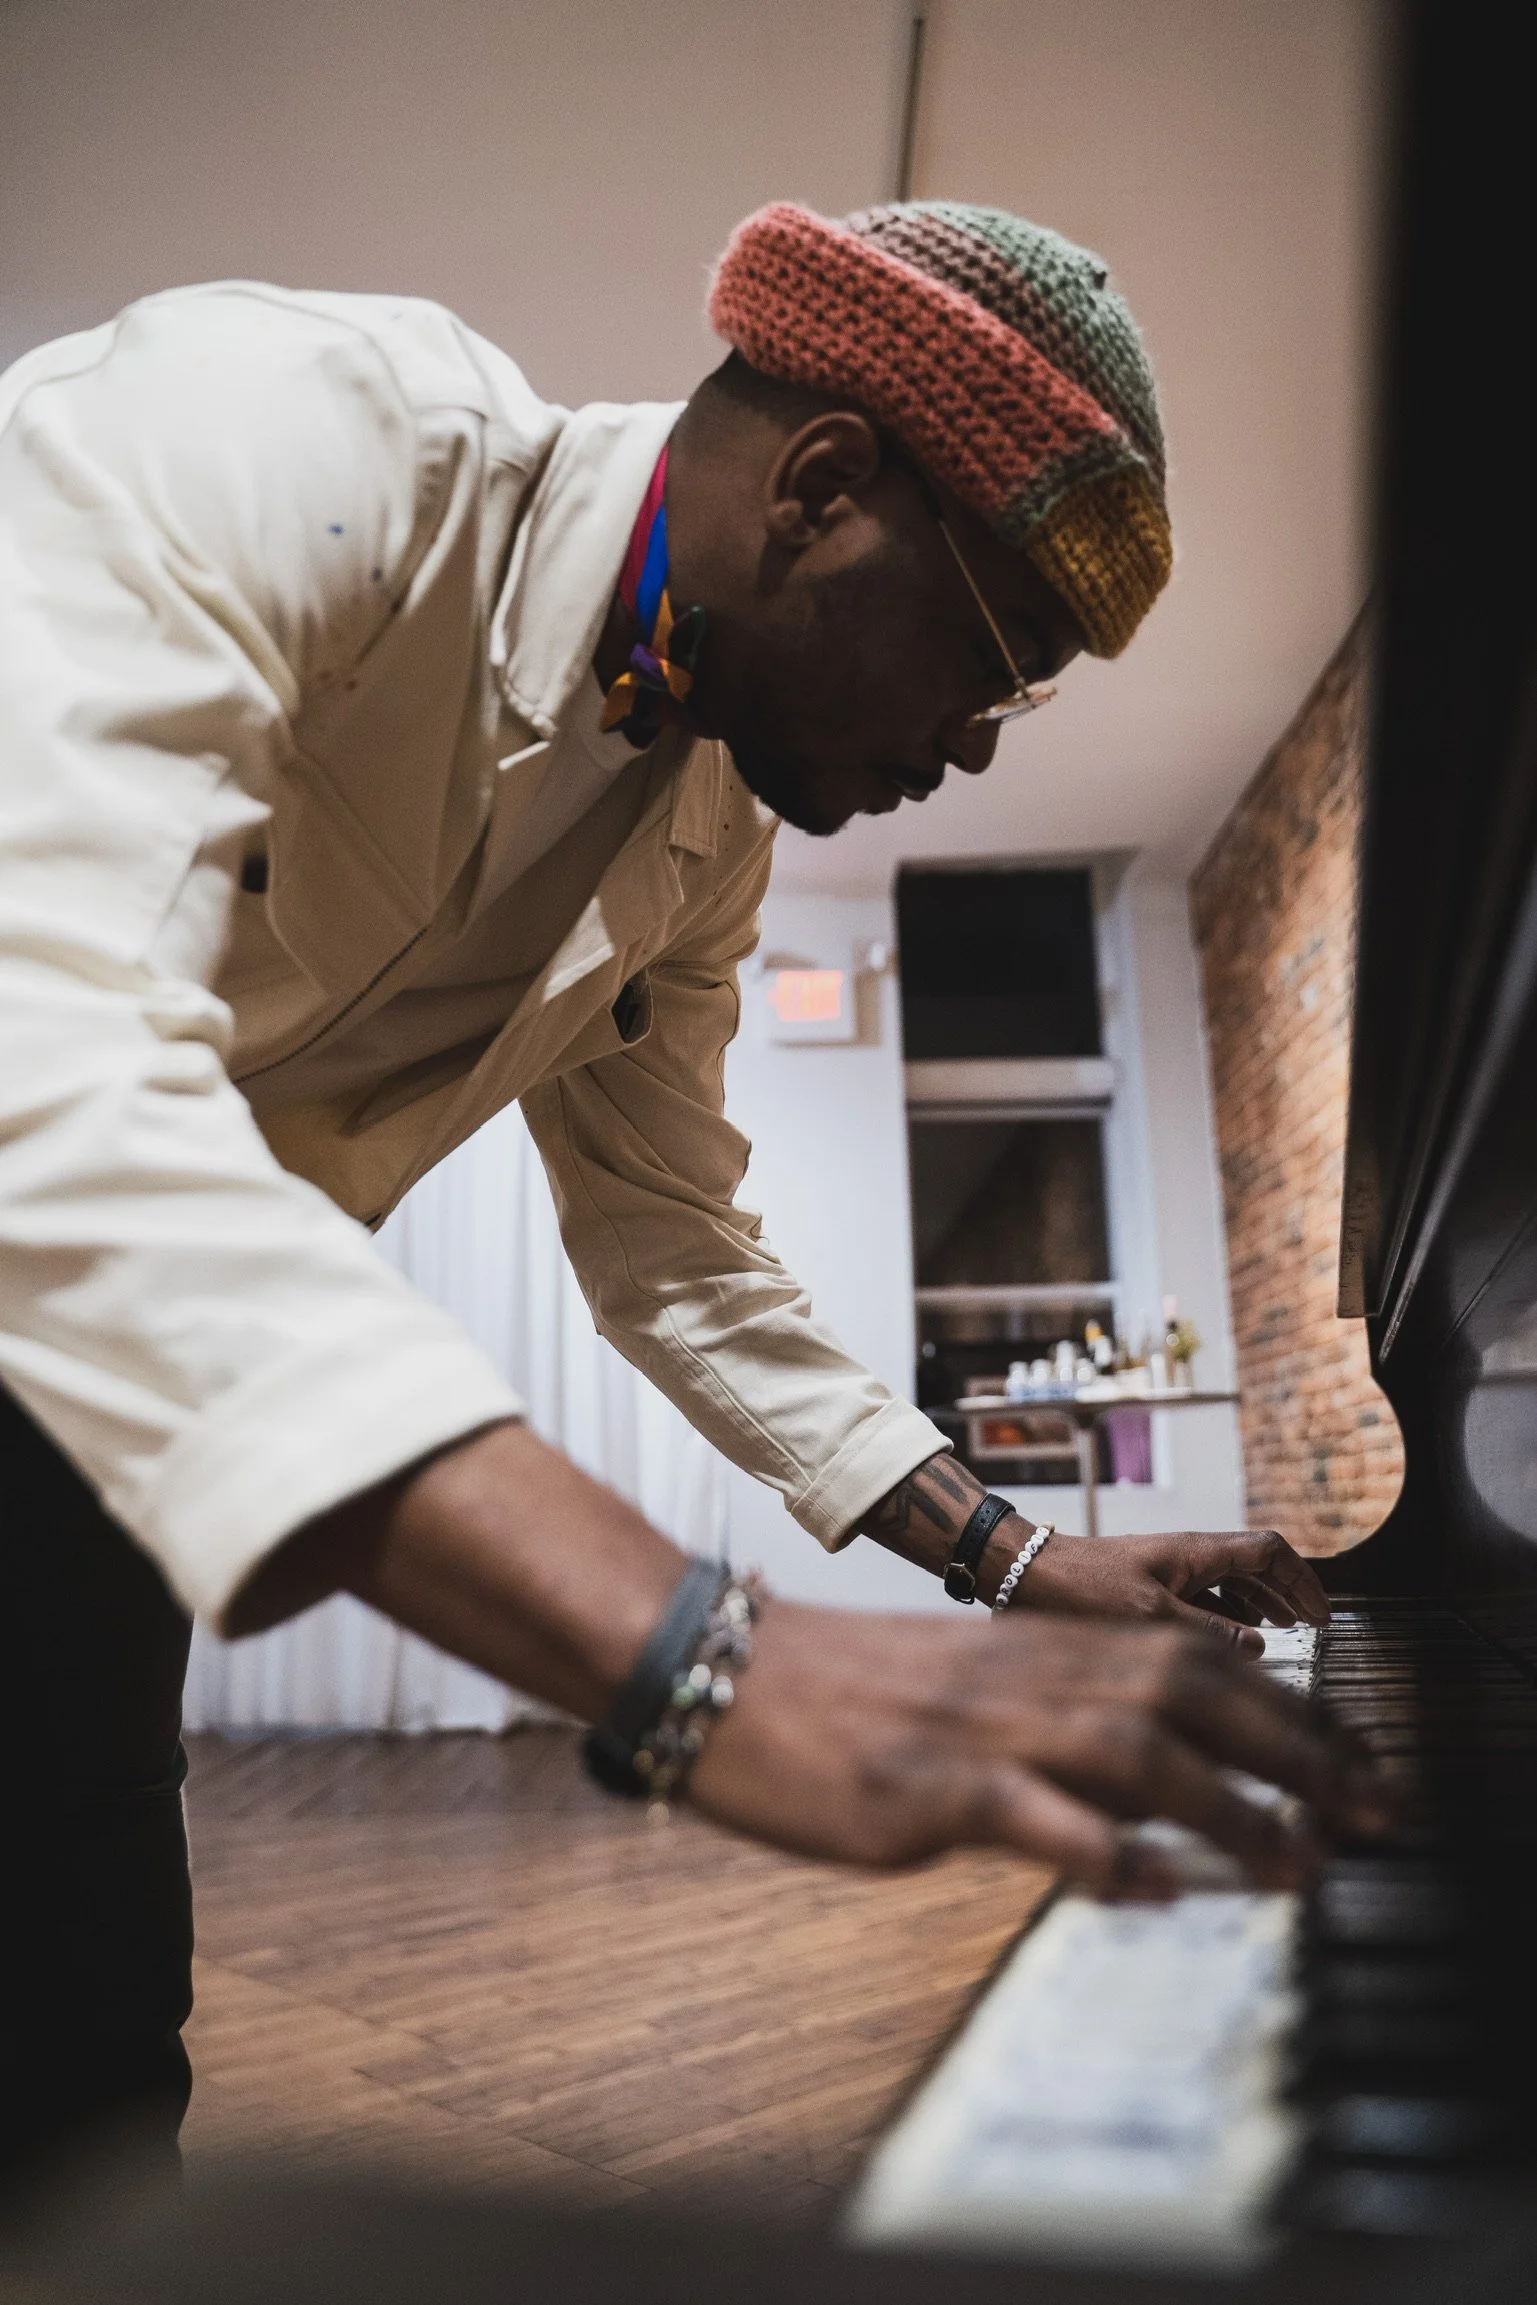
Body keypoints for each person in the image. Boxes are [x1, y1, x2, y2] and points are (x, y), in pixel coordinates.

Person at [0, 199, 1385, 2177]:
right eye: (992, 663)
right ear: (825, 484)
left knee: (90, 2066)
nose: (976, 750)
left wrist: (1009, 1556)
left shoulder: (705, 834)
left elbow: (671, 1242)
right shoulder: (287, 428)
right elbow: (31, 1036)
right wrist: (699, 1659)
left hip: (112, 1423)